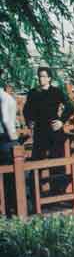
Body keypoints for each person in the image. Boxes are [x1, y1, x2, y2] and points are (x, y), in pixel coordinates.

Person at [23, 67, 74, 193]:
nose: (41, 79)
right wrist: (29, 121)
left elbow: (71, 106)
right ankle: (35, 191)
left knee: (56, 160)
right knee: (37, 160)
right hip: (40, 131)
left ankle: (58, 190)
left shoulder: (56, 92)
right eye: (39, 76)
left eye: (43, 76)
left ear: (49, 78)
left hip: (54, 130)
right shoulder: (33, 93)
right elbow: (26, 110)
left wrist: (61, 121)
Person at [1, 71, 19, 215]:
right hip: (5, 138)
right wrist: (14, 139)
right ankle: (12, 207)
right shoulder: (4, 97)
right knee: (10, 175)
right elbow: (6, 119)